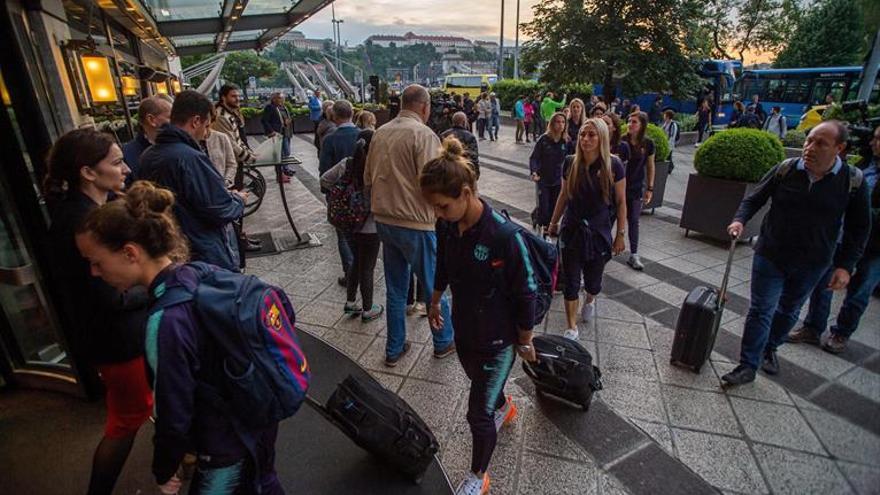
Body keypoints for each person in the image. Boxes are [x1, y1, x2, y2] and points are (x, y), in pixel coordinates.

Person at [75, 181, 285, 495]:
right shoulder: (201, 272)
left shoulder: (165, 320)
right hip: (258, 415)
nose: (93, 272)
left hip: (221, 441)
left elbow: (173, 411)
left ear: (131, 253)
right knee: (263, 479)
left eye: (97, 262)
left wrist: (164, 467)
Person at [421, 137, 536, 495]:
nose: (438, 214)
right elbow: (443, 263)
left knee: (477, 413)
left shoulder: (504, 235)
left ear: (467, 193)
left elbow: (527, 289)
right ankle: (505, 406)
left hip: (499, 340)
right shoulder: (447, 226)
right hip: (465, 328)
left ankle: (478, 477)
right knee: (480, 385)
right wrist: (435, 298)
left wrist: (526, 340)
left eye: (442, 206)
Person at [721, 121, 871, 386]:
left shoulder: (853, 182)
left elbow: (859, 229)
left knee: (789, 312)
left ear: (840, 148)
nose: (810, 148)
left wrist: (845, 266)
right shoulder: (786, 169)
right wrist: (739, 220)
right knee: (761, 309)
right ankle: (748, 364)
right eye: (808, 140)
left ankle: (770, 347)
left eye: (820, 143)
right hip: (771, 254)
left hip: (814, 263)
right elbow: (754, 198)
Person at [44, 129, 151, 495]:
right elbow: (110, 297)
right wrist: (154, 282)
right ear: (88, 172)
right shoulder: (82, 222)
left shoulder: (88, 210)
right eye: (117, 162)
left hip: (117, 336)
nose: (126, 168)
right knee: (127, 419)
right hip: (117, 340)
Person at [364, 84, 455, 366]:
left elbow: (367, 179)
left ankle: (394, 348)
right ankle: (443, 341)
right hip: (416, 222)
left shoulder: (380, 132)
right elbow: (434, 184)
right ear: (424, 107)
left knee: (395, 289)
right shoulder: (423, 134)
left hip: (384, 220)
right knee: (432, 286)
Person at [787, 126, 880, 354]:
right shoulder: (863, 167)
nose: (873, 143)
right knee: (823, 284)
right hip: (840, 237)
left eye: (879, 140)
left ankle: (841, 332)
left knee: (860, 290)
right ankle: (813, 327)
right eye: (875, 138)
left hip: (874, 245)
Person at [138, 90, 246, 272]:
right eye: (206, 126)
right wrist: (238, 200)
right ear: (196, 121)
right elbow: (218, 209)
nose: (206, 133)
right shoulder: (190, 158)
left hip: (170, 249)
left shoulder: (148, 155)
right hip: (201, 252)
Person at [547, 118, 627, 340]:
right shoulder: (570, 162)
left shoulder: (614, 165)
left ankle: (590, 299)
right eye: (583, 134)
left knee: (593, 282)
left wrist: (620, 234)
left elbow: (621, 202)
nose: (585, 139)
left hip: (598, 232)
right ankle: (571, 327)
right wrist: (553, 223)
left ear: (602, 137)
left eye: (591, 135)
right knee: (571, 281)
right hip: (572, 229)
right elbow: (563, 195)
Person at [321, 130, 384, 322]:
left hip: (348, 223)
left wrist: (343, 195)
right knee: (367, 267)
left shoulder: (347, 163)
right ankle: (367, 309)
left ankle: (350, 302)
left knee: (357, 261)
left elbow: (324, 180)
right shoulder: (378, 168)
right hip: (370, 227)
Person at [213, 84, 261, 257]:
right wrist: (249, 157)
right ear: (223, 97)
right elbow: (232, 144)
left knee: (238, 203)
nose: (237, 99)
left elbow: (238, 139)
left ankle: (241, 236)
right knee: (234, 201)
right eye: (233, 96)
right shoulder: (221, 116)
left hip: (236, 162)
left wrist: (248, 154)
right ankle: (238, 240)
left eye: (238, 96)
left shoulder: (231, 113)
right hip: (229, 164)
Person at [320, 100, 360, 286]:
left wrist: (328, 193)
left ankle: (350, 273)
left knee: (343, 236)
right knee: (363, 236)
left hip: (340, 196)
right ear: (352, 113)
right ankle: (363, 271)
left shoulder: (330, 138)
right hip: (363, 195)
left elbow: (324, 170)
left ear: (334, 116)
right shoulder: (364, 135)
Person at [618, 111, 655, 271]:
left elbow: (650, 166)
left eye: (634, 122)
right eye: (629, 121)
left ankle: (634, 254)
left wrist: (650, 188)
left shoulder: (648, 144)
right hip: (619, 187)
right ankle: (606, 247)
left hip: (635, 187)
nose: (630, 124)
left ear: (642, 126)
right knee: (610, 217)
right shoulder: (621, 141)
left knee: (634, 220)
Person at [529, 112, 568, 230]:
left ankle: (547, 226)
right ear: (552, 124)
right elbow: (534, 157)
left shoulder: (566, 141)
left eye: (563, 122)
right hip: (543, 179)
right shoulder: (544, 139)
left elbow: (571, 159)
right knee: (544, 207)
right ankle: (542, 222)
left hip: (558, 179)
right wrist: (534, 171)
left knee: (555, 207)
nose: (560, 125)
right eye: (557, 122)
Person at [122, 96, 171, 183]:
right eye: (170, 117)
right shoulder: (127, 154)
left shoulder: (182, 147)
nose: (177, 122)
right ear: (151, 120)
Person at [261, 92, 294, 176]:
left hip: (286, 132)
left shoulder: (283, 107)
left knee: (286, 152)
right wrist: (271, 131)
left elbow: (285, 117)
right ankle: (282, 171)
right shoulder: (270, 107)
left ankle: (285, 168)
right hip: (277, 133)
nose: (282, 99)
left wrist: (288, 121)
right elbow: (264, 120)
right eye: (279, 98)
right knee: (281, 153)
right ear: (274, 99)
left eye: (282, 97)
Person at [203, 110, 238, 188]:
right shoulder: (190, 141)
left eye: (207, 126)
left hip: (221, 188)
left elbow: (231, 164)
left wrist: (227, 181)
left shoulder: (221, 138)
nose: (205, 131)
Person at [441, 111, 480, 178]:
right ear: (464, 122)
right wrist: (475, 174)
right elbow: (473, 158)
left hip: (446, 172)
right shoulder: (470, 136)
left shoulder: (444, 135)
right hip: (464, 173)